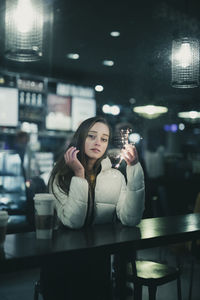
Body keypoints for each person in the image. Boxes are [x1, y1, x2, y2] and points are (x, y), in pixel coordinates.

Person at [40, 116, 145, 300]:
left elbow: (131, 219)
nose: (98, 142)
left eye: (104, 139)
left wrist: (134, 168)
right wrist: (79, 174)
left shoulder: (114, 177)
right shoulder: (60, 176)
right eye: (92, 136)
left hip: (98, 263)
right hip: (62, 263)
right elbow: (73, 221)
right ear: (80, 138)